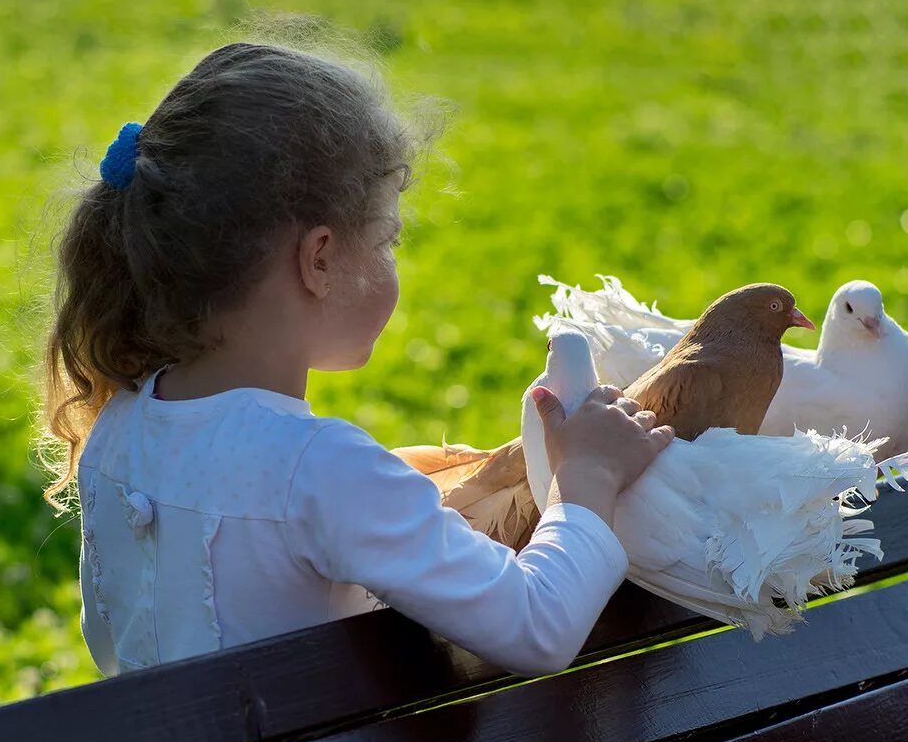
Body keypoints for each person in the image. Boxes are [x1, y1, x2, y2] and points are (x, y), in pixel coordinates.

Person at [40, 41, 674, 678]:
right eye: (387, 239)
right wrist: (586, 479)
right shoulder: (320, 470)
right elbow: (538, 628)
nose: (392, 259)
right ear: (318, 259)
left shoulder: (117, 429)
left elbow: (122, 638)